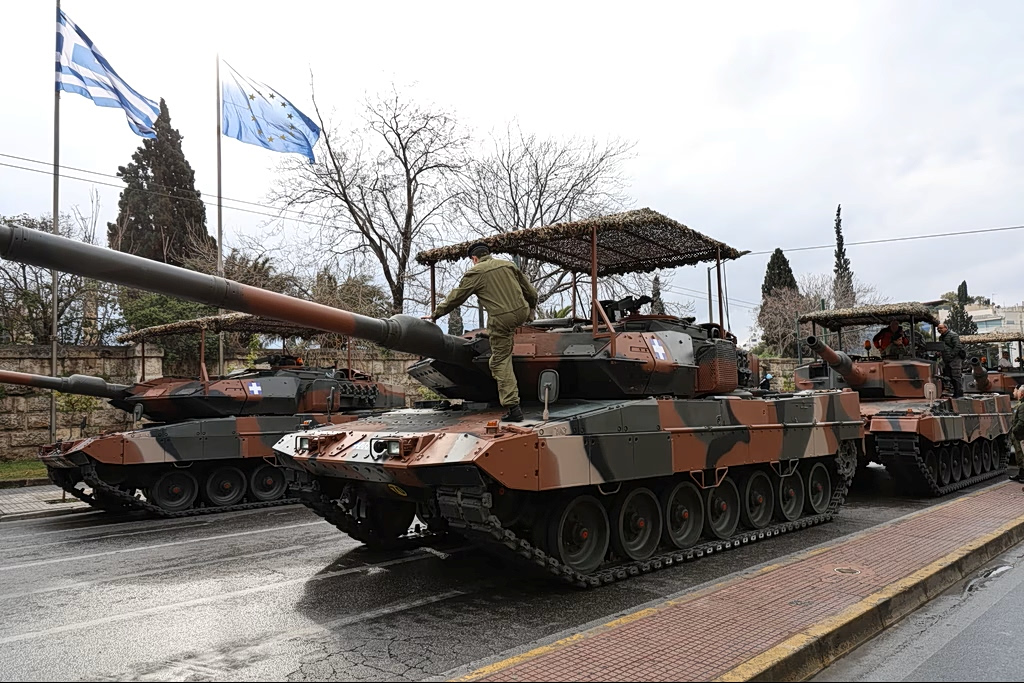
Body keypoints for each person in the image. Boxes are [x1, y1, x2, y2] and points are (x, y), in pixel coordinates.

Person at [425, 243, 538, 422]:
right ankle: (494, 336)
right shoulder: (508, 265)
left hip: (501, 319)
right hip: (521, 312)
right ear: (488, 254)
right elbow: (531, 292)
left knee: (499, 361)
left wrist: (435, 314)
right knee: (502, 338)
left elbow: (456, 297)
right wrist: (531, 309)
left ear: (474, 259)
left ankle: (513, 408)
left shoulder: (476, 272)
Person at [937, 323, 964, 398]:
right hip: (946, 359)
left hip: (955, 359)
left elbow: (958, 346)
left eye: (941, 328)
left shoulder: (953, 335)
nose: (939, 330)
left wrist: (951, 355)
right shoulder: (941, 338)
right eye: (938, 329)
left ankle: (959, 394)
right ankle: (954, 392)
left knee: (956, 376)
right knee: (949, 376)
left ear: (946, 328)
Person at [1010, 385, 1024, 481]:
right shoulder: (1020, 404)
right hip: (1019, 435)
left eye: (1016, 390)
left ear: (1022, 393)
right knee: (1019, 454)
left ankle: (1023, 475)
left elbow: (1022, 421)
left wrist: (1015, 430)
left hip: (1020, 435)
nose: (1015, 392)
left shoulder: (1022, 406)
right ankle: (1021, 474)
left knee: (1021, 454)